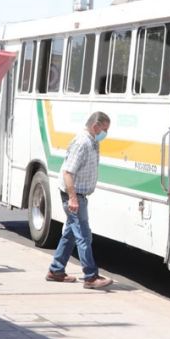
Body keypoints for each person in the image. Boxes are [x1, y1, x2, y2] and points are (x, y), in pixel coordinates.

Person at [46, 111, 114, 289]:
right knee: (84, 235)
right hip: (74, 195)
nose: (105, 133)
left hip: (79, 195)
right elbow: (68, 172)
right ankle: (90, 276)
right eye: (104, 129)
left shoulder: (91, 141)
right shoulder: (82, 143)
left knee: (70, 234)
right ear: (95, 126)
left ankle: (56, 270)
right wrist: (73, 199)